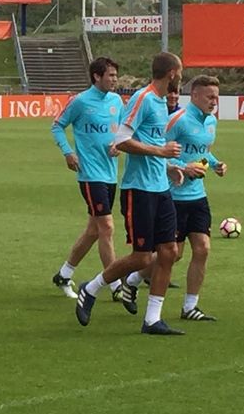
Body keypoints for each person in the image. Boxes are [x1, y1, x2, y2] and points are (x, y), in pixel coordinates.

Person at [74, 52, 185, 335]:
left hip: (160, 187)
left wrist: (168, 165)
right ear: (172, 73)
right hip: (138, 190)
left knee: (169, 252)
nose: (181, 76)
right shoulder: (144, 98)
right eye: (180, 71)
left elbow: (153, 143)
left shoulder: (161, 102)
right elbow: (121, 140)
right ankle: (92, 287)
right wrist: (160, 152)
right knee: (142, 257)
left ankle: (152, 319)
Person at [49, 57, 125, 300]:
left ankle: (64, 274)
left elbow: (123, 130)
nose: (115, 80)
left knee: (93, 230)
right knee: (107, 226)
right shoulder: (80, 101)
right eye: (110, 75)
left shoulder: (116, 101)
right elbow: (57, 126)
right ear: (97, 76)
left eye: (115, 75)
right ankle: (115, 285)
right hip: (90, 174)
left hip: (110, 173)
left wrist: (119, 145)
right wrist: (68, 152)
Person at [165, 75, 226, 320]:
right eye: (210, 97)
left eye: (217, 97)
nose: (214, 101)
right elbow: (159, 154)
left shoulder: (211, 122)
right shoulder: (176, 120)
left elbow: (204, 153)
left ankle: (190, 306)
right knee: (173, 255)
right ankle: (134, 277)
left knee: (202, 249)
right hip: (173, 197)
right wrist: (183, 168)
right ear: (195, 96)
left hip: (198, 196)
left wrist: (215, 164)